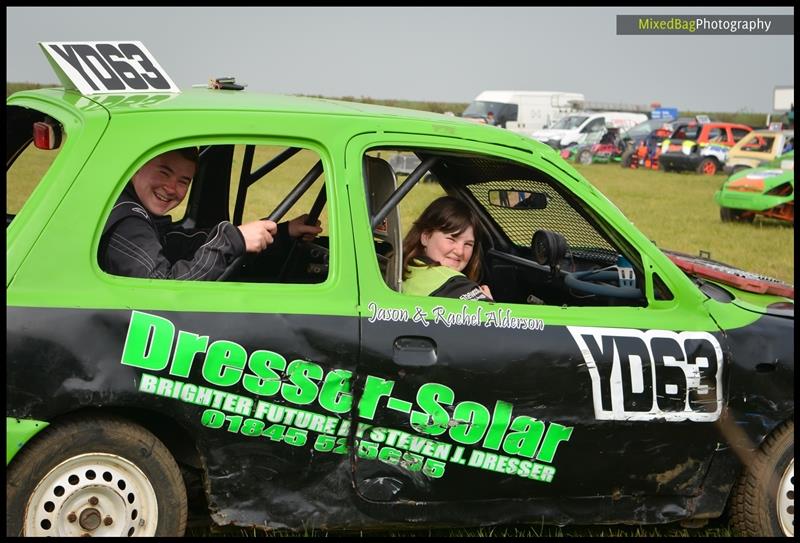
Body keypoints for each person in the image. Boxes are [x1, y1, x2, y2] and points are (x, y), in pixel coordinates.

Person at [99, 147, 322, 280]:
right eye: (164, 173)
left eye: (183, 181)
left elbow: (181, 243)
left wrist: (281, 232)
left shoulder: (138, 214)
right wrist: (232, 240)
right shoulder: (128, 223)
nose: (171, 187)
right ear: (137, 167)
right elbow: (163, 289)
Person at [401, 196, 493, 301]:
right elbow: (491, 317)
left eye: (468, 244)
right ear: (426, 237)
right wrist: (489, 304)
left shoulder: (403, 266)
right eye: (451, 239)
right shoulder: (454, 285)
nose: (460, 251)